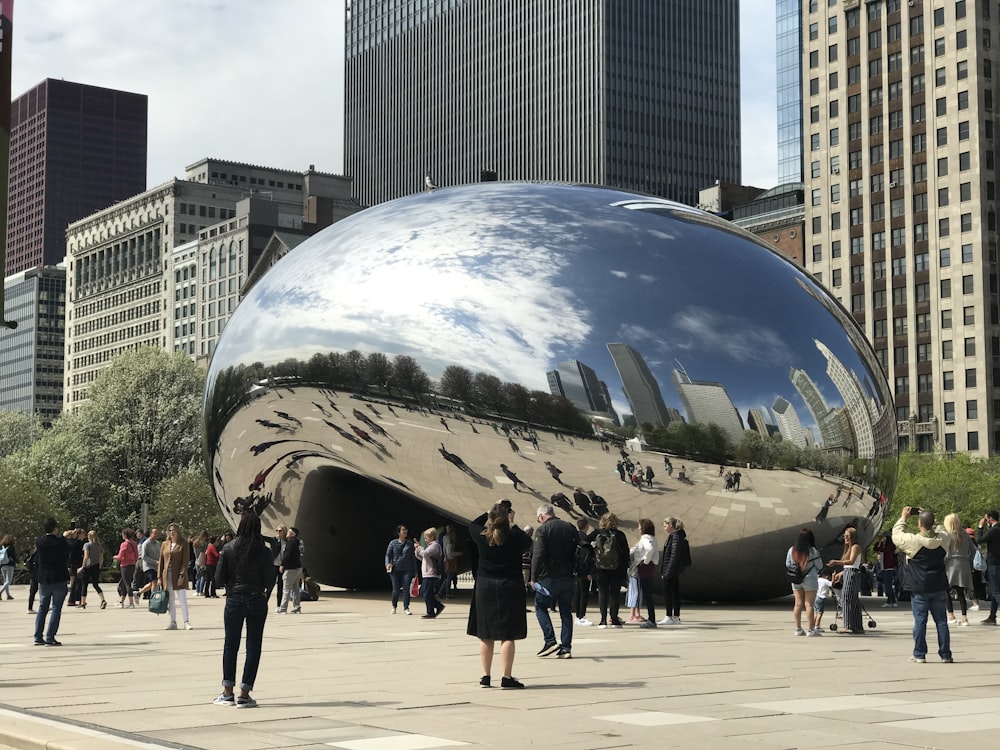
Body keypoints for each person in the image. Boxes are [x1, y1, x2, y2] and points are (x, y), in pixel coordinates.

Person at [466, 501, 531, 689]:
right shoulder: (514, 538)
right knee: (507, 634)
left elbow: (472, 525)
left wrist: (487, 512)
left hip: (485, 585)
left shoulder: (482, 536)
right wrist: (513, 523)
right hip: (509, 585)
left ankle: (486, 676)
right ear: (507, 519)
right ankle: (506, 676)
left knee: (485, 634)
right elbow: (528, 542)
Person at [214, 510, 273, 708]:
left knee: (231, 645)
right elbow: (270, 578)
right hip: (256, 597)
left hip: (235, 598)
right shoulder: (264, 551)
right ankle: (245, 694)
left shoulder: (229, 548)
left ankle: (227, 692)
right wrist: (265, 595)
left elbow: (219, 578)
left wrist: (230, 587)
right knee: (253, 646)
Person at [892, 506, 953, 663]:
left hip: (919, 587)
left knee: (920, 621)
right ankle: (945, 654)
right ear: (932, 524)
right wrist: (931, 519)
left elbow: (896, 535)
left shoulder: (914, 541)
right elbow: (943, 530)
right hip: (938, 585)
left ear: (919, 523)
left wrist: (903, 518)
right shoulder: (943, 540)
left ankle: (919, 654)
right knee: (941, 621)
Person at [530, 503, 578, 658]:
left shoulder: (543, 530)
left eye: (539, 519)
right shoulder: (570, 527)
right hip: (568, 575)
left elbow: (538, 555)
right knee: (566, 612)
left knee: (540, 606)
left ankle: (550, 640)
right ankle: (566, 648)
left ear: (542, 516)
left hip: (548, 576)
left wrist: (533, 577)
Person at [588, 512, 629, 628]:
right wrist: (625, 567)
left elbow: (584, 542)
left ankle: (603, 620)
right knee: (615, 594)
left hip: (600, 568)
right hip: (617, 568)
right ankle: (614, 620)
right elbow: (625, 552)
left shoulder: (597, 533)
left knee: (602, 593)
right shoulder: (620, 535)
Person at [33, 517, 70, 646]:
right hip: (59, 577)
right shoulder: (60, 542)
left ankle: (38, 636)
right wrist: (65, 537)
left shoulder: (40, 542)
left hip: (44, 578)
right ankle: (50, 637)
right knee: (56, 608)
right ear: (55, 528)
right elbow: (67, 552)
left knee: (43, 607)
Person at [785, 528, 822, 636]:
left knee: (798, 604)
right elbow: (820, 565)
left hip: (796, 579)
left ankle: (798, 629)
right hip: (810, 578)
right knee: (809, 604)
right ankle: (811, 629)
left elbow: (788, 564)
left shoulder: (792, 550)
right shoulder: (813, 551)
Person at [828, 526, 864, 634]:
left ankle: (848, 626)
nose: (846, 538)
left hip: (852, 574)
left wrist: (836, 562)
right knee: (853, 600)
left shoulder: (855, 547)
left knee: (846, 599)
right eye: (845, 536)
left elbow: (851, 561)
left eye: (848, 536)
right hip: (849, 572)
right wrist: (841, 573)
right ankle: (857, 626)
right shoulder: (850, 548)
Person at [157, 523, 192, 631]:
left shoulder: (183, 544)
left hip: (178, 575)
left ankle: (186, 621)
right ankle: (173, 621)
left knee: (182, 598)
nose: (172, 532)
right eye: (170, 530)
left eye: (174, 530)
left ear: (178, 531)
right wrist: (159, 577)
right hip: (167, 574)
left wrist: (182, 575)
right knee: (171, 599)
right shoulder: (165, 544)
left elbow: (185, 561)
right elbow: (161, 561)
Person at [944, 512, 975, 626]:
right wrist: (969, 561)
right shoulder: (965, 535)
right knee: (961, 592)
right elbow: (973, 550)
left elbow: (943, 551)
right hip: (964, 564)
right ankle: (964, 617)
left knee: (947, 590)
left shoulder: (947, 535)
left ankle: (951, 615)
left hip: (951, 564)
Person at [658, 517, 688, 625]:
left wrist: (667, 572)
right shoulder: (675, 536)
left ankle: (669, 616)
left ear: (671, 525)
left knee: (668, 592)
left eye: (665, 525)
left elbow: (674, 556)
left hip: (671, 570)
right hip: (672, 569)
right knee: (674, 593)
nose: (664, 527)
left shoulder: (676, 537)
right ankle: (675, 617)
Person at [630, 518, 659, 628]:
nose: (638, 528)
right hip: (649, 567)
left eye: (639, 526)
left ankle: (651, 620)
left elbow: (650, 549)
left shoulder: (645, 538)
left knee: (647, 594)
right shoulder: (651, 537)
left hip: (645, 567)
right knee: (647, 593)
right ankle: (652, 619)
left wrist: (645, 561)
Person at [414, 527, 446, 619]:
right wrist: (417, 551)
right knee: (425, 592)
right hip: (426, 573)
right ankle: (433, 609)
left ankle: (434, 608)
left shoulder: (435, 546)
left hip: (431, 573)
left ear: (432, 537)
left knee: (426, 593)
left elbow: (425, 554)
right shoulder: (430, 546)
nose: (425, 540)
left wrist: (419, 548)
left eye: (426, 538)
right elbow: (423, 557)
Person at [975, 509, 1000, 625]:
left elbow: (979, 540)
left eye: (986, 519)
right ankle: (992, 616)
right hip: (997, 562)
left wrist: (980, 527)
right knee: (994, 590)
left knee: (995, 591)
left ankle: (992, 616)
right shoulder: (996, 529)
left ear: (990, 518)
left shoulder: (994, 530)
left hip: (994, 563)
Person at [385, 524, 416, 615]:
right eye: (403, 530)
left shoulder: (409, 543)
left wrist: (415, 571)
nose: (405, 531)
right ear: (399, 532)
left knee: (406, 589)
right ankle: (394, 606)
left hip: (407, 569)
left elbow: (412, 558)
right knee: (396, 589)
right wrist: (388, 564)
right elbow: (388, 555)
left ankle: (406, 607)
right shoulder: (393, 543)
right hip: (395, 569)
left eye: (406, 530)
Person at [276, 527, 303, 614]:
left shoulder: (290, 542)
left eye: (289, 532)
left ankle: (283, 608)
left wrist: (282, 564)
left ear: (293, 534)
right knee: (296, 589)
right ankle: (297, 607)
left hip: (290, 569)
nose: (287, 533)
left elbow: (287, 555)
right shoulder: (297, 542)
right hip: (298, 568)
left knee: (286, 589)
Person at [78, 530, 107, 610]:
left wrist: (82, 567)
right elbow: (101, 557)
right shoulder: (99, 545)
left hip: (88, 566)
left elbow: (86, 556)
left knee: (84, 585)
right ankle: (103, 599)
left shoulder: (87, 545)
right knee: (95, 584)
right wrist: (99, 565)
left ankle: (83, 603)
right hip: (96, 566)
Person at [573, 518, 594, 626]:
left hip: (575, 569)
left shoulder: (574, 537)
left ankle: (577, 616)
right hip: (584, 570)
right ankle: (581, 616)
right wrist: (589, 571)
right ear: (586, 526)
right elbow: (588, 557)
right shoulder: (586, 540)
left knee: (577, 592)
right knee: (584, 593)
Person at [114, 529, 139, 608]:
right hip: (132, 564)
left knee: (127, 584)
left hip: (125, 565)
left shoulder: (124, 544)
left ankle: (131, 603)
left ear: (125, 535)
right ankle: (121, 602)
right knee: (125, 583)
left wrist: (115, 557)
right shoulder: (134, 543)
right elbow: (137, 555)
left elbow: (120, 556)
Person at [873, 532, 898, 608]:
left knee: (888, 586)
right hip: (884, 568)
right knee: (888, 586)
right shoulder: (884, 546)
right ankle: (892, 601)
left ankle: (890, 601)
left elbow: (882, 550)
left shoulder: (890, 547)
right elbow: (875, 548)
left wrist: (881, 543)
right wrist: (879, 541)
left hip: (888, 568)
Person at [139, 527, 161, 599]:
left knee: (152, 583)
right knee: (155, 581)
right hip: (148, 566)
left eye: (157, 533)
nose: (156, 535)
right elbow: (144, 557)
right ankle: (153, 599)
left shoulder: (158, 544)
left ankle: (139, 593)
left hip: (157, 567)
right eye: (154, 533)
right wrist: (155, 562)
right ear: (151, 534)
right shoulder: (146, 544)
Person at [813, 567, 834, 632]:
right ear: (827, 576)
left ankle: (813, 625)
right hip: (821, 598)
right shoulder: (825, 581)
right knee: (820, 613)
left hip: (815, 597)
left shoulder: (818, 579)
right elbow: (832, 584)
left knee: (816, 613)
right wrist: (834, 577)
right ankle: (817, 626)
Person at [0, 534, 17, 600]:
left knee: (5, 581)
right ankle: (0, 592)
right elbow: (14, 556)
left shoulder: (1, 546)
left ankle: (8, 595)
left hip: (2, 564)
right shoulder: (11, 547)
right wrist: (17, 561)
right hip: (9, 565)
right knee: (8, 581)